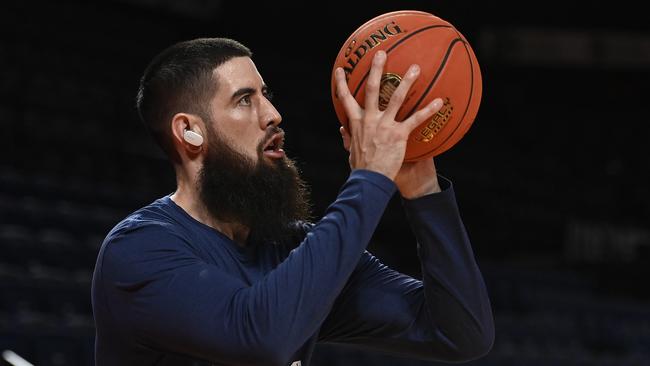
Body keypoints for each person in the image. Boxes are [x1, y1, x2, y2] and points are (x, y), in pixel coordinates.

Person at [91, 37, 494, 366]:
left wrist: (422, 190)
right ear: (190, 132)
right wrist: (369, 178)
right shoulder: (138, 251)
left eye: (267, 95)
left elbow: (461, 334)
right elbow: (261, 337)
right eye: (245, 100)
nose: (273, 114)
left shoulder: (289, 246)